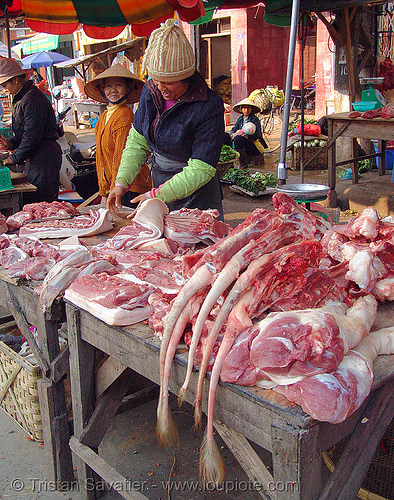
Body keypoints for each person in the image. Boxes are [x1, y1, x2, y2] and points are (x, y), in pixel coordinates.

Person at [107, 19, 225, 220]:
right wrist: (121, 183)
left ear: (186, 76)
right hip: (160, 178)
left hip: (198, 189)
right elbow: (138, 141)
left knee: (201, 246)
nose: (161, 87)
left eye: (169, 82)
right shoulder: (151, 91)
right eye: (156, 79)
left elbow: (201, 169)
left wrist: (155, 195)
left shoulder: (209, 106)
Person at [84, 63, 151, 206]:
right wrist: (103, 191)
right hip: (113, 187)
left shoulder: (125, 116)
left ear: (128, 88)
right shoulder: (102, 118)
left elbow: (119, 159)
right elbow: (101, 160)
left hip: (129, 188)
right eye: (108, 86)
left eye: (118, 85)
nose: (113, 90)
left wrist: (115, 188)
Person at [0, 58, 61, 204]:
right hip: (37, 155)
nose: (4, 88)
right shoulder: (22, 98)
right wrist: (11, 143)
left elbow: (33, 136)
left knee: (42, 202)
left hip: (45, 155)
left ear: (15, 80)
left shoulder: (32, 97)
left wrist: (14, 158)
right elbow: (26, 132)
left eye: (4, 84)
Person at [224, 97, 267, 168]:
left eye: (248, 108)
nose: (246, 110)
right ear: (241, 109)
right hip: (241, 143)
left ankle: (243, 164)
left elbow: (257, 136)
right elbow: (234, 129)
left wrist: (246, 135)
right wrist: (233, 134)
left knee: (238, 139)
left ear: (251, 109)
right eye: (244, 108)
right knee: (225, 136)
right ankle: (229, 162)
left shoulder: (254, 119)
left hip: (253, 146)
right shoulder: (240, 119)